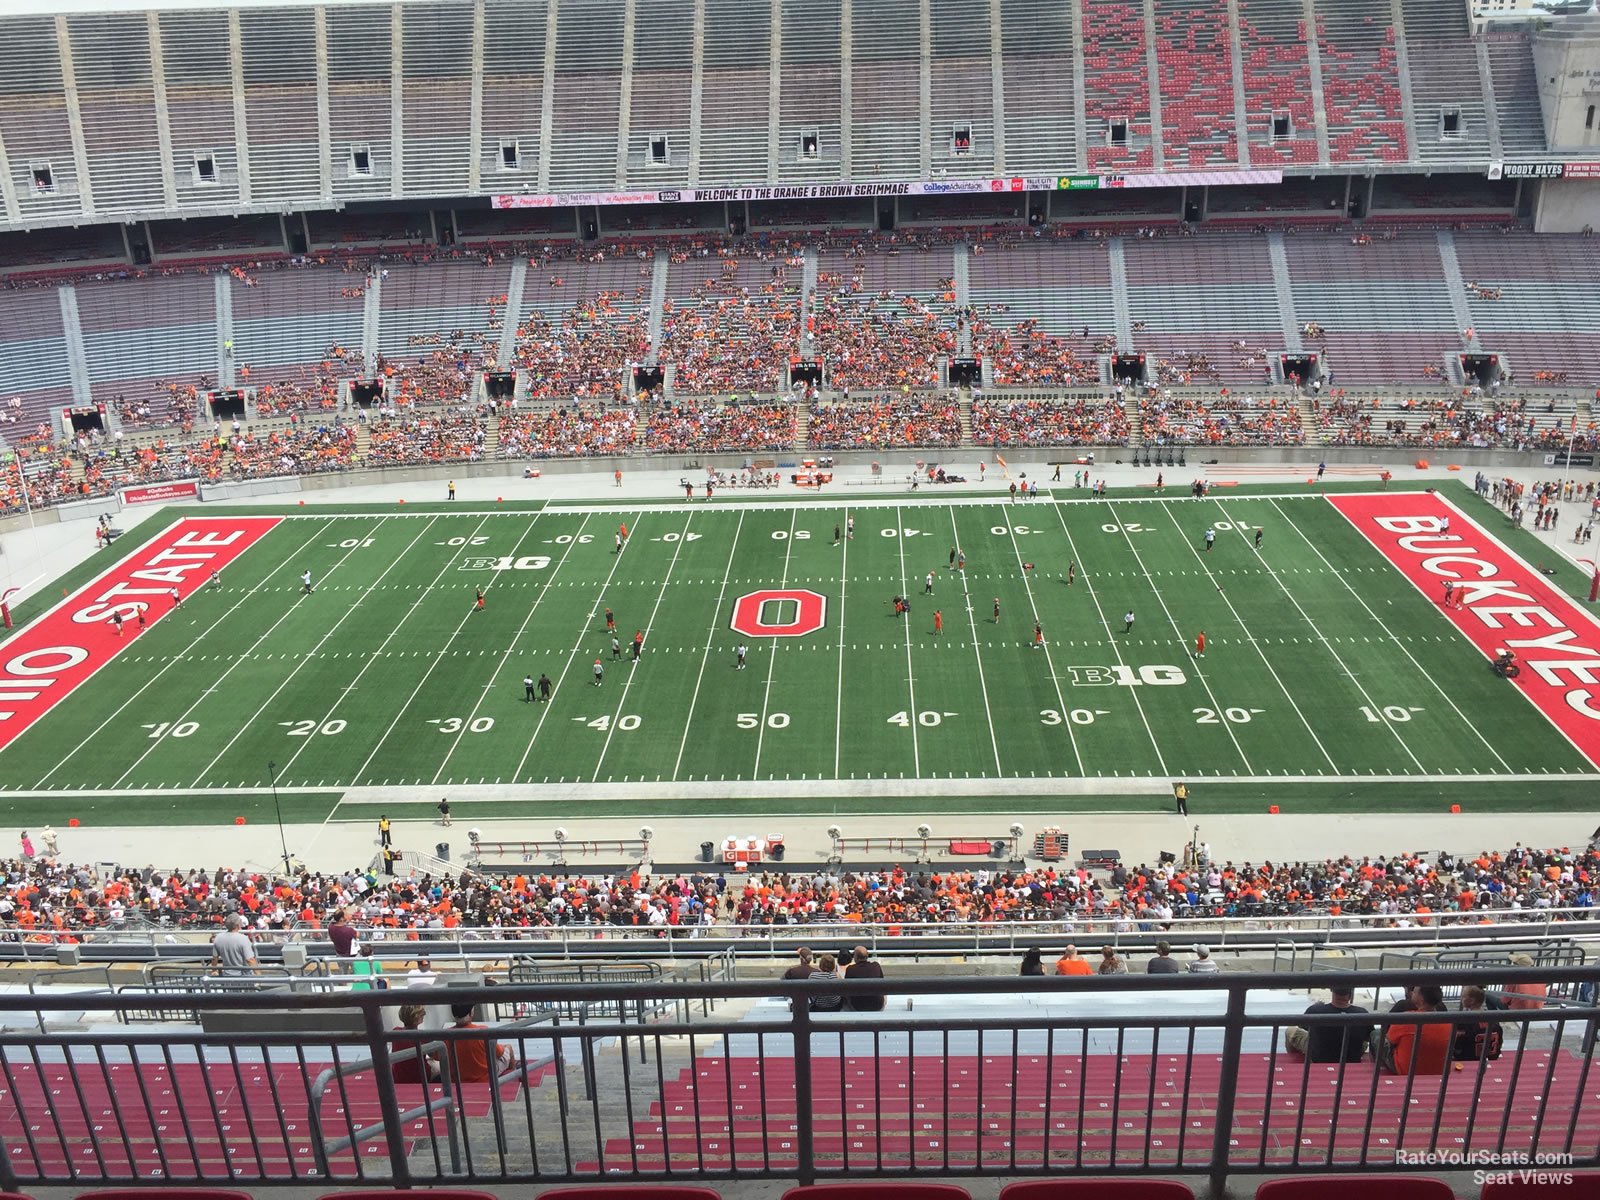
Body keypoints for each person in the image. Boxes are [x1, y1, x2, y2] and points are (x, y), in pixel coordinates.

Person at [1286, 987, 1371, 1062]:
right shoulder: (1362, 1013)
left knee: (1291, 1031)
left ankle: (1296, 1062)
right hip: (1351, 1058)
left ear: (1332, 991)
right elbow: (1369, 1036)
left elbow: (1303, 1027)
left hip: (1319, 1058)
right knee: (1363, 1042)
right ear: (1350, 993)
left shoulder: (1315, 1011)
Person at [1383, 983, 1451, 1076]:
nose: (1411, 993)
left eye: (1414, 992)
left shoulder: (1406, 1018)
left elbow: (1389, 1040)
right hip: (1439, 1071)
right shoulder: (1448, 1021)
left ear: (1422, 1000)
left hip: (1405, 1071)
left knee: (1376, 1035)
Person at [443, 1002, 513, 1083]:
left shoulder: (446, 1036)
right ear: (471, 1013)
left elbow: (436, 1057)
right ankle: (514, 1079)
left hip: (457, 1081)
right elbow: (499, 1053)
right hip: (485, 1078)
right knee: (508, 1048)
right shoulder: (482, 1032)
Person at [390, 1004, 439, 1085]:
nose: (424, 1014)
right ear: (416, 1018)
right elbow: (434, 1055)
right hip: (419, 1078)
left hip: (398, 1078)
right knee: (441, 1065)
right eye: (422, 1013)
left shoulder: (395, 1032)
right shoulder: (422, 1037)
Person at [1453, 985, 1504, 1062]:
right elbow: (1499, 1043)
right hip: (1489, 1059)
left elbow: (1457, 1046)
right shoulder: (1493, 1020)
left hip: (1467, 1060)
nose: (1461, 999)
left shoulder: (1464, 1022)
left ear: (1472, 1000)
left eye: (1463, 996)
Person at [843, 946, 885, 1011]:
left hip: (858, 1006)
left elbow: (846, 989)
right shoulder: (876, 966)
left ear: (855, 957)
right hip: (877, 1005)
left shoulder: (850, 969)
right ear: (867, 956)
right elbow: (883, 984)